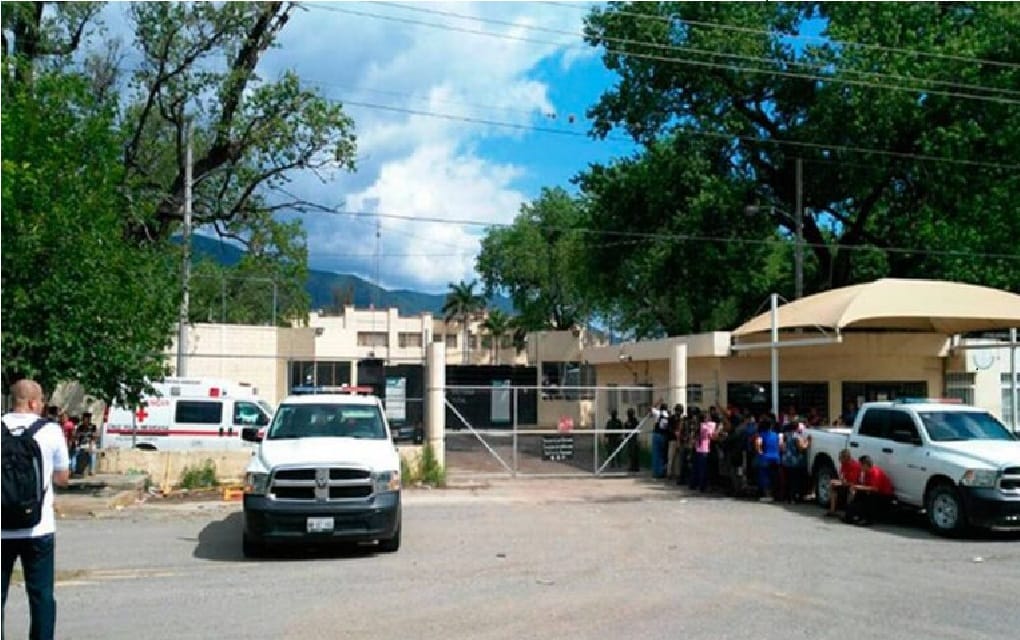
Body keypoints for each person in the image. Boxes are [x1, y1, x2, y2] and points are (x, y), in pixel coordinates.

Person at [2, 379, 71, 640]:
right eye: (41, 400)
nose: (43, 405)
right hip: (38, 529)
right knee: (41, 595)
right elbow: (62, 478)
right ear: (32, 403)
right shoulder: (51, 431)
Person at [844, 455, 895, 525]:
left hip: (884, 495)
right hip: (875, 492)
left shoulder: (875, 472)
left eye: (860, 465)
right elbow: (866, 485)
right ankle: (851, 515)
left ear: (865, 465)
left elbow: (875, 488)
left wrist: (859, 487)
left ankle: (868, 519)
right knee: (859, 495)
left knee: (870, 497)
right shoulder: (866, 472)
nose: (859, 467)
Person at [826, 449, 862, 517]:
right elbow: (842, 477)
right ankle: (832, 510)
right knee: (832, 484)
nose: (839, 460)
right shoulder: (843, 465)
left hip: (855, 485)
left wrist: (841, 483)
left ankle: (848, 512)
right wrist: (837, 482)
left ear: (846, 458)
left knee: (852, 490)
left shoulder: (854, 466)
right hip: (846, 483)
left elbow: (853, 482)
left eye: (841, 458)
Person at [690, 412, 717, 493]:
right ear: (705, 418)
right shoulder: (706, 427)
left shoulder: (699, 425)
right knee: (703, 469)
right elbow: (712, 437)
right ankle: (702, 486)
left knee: (696, 468)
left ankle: (694, 484)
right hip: (704, 449)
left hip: (698, 448)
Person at [755, 417, 781, 502]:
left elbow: (758, 445)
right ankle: (775, 494)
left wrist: (760, 452)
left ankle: (767, 495)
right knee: (774, 476)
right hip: (776, 457)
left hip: (765, 458)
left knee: (765, 477)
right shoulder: (776, 435)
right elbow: (780, 445)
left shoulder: (761, 435)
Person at [649, 403, 670, 479]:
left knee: (656, 454)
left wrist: (657, 402)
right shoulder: (668, 415)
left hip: (656, 435)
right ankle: (662, 472)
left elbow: (650, 408)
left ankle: (656, 472)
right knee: (662, 455)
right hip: (664, 436)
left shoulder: (658, 413)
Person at [624, 408, 641, 472]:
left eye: (630, 413)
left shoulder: (635, 421)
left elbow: (636, 429)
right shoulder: (627, 422)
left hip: (634, 439)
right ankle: (631, 466)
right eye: (628, 413)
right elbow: (626, 430)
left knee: (634, 453)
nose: (628, 415)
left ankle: (636, 467)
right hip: (629, 439)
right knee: (630, 453)